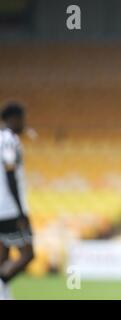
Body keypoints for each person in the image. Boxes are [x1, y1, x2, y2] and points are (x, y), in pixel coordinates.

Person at [0, 102, 34, 300]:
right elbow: (10, 173)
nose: (24, 123)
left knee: (3, 255)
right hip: (10, 209)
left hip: (1, 208)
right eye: (22, 119)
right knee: (28, 254)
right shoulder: (9, 140)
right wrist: (21, 211)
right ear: (13, 119)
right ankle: (2, 285)